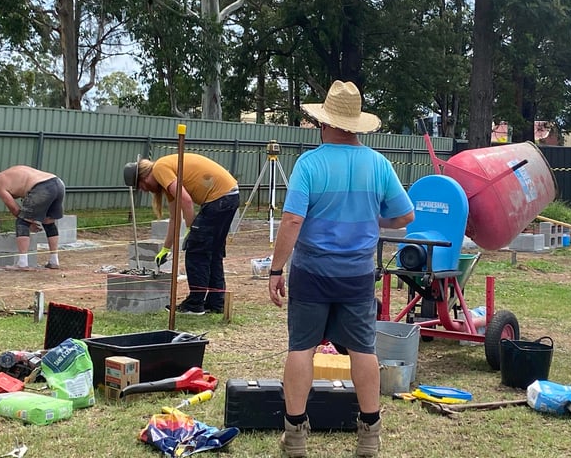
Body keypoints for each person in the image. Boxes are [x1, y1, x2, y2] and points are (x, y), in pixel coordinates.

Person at [268, 81, 414, 457]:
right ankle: (369, 436)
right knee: (363, 350)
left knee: (302, 348)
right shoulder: (379, 164)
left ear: (324, 122)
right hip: (357, 274)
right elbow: (405, 215)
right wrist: (371, 219)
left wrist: (275, 269)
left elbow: (291, 222)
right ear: (356, 124)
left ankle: (296, 436)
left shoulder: (309, 164)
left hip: (312, 273)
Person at [124, 153, 240, 315]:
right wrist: (166, 248)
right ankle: (216, 302)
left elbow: (186, 201)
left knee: (196, 251)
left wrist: (191, 230)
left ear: (144, 176)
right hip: (229, 196)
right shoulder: (168, 178)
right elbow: (174, 218)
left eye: (141, 185)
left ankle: (195, 305)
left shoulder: (160, 169)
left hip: (219, 198)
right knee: (212, 252)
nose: (144, 190)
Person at [0, 166, 65, 269]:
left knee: (22, 222)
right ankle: (54, 260)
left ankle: (22, 263)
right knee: (48, 223)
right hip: (58, 183)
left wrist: (29, 222)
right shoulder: (11, 172)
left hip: (41, 187)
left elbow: (14, 208)